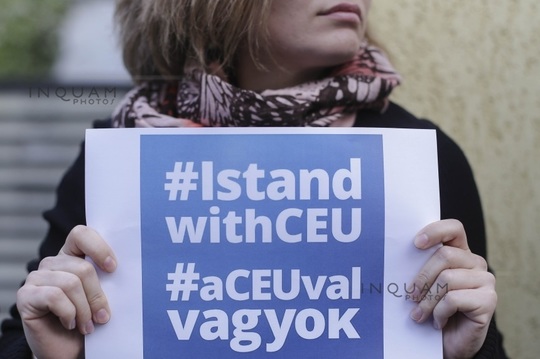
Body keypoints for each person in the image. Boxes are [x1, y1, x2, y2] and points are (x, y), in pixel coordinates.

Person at [0, 0, 507, 358]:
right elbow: (25, 336)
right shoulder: (120, 155)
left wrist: (464, 353)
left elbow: (480, 344)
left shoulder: (419, 156)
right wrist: (47, 351)